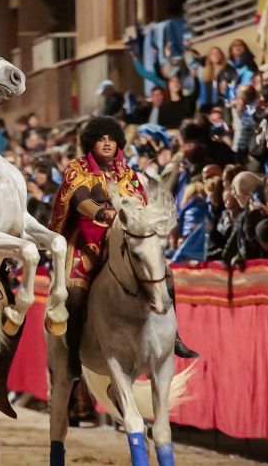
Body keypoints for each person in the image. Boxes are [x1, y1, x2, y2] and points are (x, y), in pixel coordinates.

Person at [47, 117, 196, 380]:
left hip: (126, 236)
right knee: (75, 292)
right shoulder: (77, 168)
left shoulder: (128, 173)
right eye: (100, 139)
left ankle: (174, 337)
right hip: (88, 238)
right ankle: (72, 360)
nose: (106, 144)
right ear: (90, 142)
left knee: (166, 273)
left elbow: (142, 204)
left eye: (111, 139)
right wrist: (103, 214)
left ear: (118, 143)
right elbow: (80, 199)